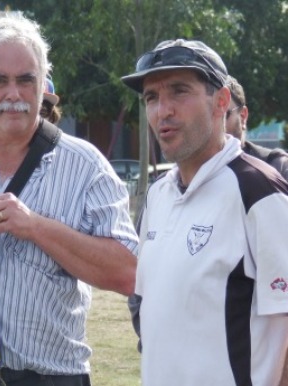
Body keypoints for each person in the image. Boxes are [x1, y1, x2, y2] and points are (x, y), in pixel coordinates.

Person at [0, 13, 138, 386]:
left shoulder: (85, 165)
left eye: (25, 80)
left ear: (43, 83)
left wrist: (37, 227)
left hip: (51, 377)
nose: (13, 94)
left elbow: (129, 273)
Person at [121, 38, 288, 386]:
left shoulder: (259, 192)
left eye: (179, 91)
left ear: (221, 101)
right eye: (151, 97)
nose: (162, 110)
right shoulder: (157, 195)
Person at [226, 75, 288, 180]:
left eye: (222, 115)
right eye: (206, 116)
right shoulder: (191, 174)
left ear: (243, 116)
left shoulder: (276, 166)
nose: (212, 124)